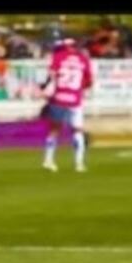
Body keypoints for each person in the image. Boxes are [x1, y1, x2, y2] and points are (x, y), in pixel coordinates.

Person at [41, 38, 92, 173]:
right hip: (75, 99)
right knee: (77, 130)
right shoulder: (83, 59)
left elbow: (51, 76)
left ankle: (48, 160)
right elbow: (89, 81)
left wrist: (46, 89)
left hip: (59, 97)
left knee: (54, 130)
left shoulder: (57, 57)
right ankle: (79, 163)